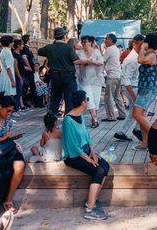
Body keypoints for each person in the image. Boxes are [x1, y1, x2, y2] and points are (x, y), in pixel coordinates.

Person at [62, 90, 110, 220]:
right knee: (98, 171)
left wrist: (93, 153)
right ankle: (90, 208)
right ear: (83, 102)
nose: (87, 101)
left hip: (85, 152)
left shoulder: (81, 116)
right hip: (73, 155)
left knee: (105, 166)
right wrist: (88, 159)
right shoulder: (68, 119)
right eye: (87, 99)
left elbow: (87, 137)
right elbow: (72, 145)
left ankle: (93, 200)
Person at [38, 27, 91, 116]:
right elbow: (75, 61)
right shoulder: (68, 47)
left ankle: (52, 122)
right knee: (69, 99)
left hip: (54, 76)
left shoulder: (49, 48)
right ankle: (68, 119)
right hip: (68, 76)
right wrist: (86, 61)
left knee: (54, 99)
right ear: (64, 36)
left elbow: (39, 51)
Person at [132, 33, 157, 149]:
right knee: (141, 116)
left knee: (136, 114)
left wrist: (143, 48)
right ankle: (145, 142)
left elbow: (140, 60)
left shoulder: (152, 55)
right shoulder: (151, 55)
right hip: (145, 88)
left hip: (147, 89)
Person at [114, 34, 145, 142]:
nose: (142, 47)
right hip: (132, 87)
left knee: (135, 110)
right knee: (140, 109)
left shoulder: (137, 56)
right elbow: (127, 79)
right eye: (140, 45)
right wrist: (132, 95)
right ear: (134, 44)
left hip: (134, 86)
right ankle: (136, 129)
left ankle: (122, 131)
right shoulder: (132, 59)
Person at [76, 35, 104, 128]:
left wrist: (91, 62)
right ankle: (95, 119)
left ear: (91, 42)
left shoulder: (96, 52)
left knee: (96, 100)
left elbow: (101, 62)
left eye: (86, 42)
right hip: (84, 80)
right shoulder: (79, 52)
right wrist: (84, 62)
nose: (84, 44)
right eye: (83, 42)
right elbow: (75, 60)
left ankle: (94, 117)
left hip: (96, 79)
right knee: (88, 99)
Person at [102, 33, 127, 122]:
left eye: (106, 39)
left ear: (111, 40)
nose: (105, 40)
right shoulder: (116, 49)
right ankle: (122, 114)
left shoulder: (109, 49)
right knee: (117, 96)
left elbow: (102, 60)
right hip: (118, 75)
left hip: (112, 76)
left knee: (108, 97)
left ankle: (111, 116)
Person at [21, 35, 38, 108]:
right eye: (30, 39)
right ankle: (33, 103)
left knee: (31, 86)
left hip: (29, 71)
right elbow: (24, 57)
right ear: (28, 40)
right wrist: (29, 66)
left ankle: (35, 102)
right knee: (29, 86)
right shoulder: (25, 48)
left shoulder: (26, 48)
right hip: (27, 72)